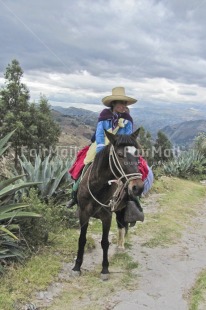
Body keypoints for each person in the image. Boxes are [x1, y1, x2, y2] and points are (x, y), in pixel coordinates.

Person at [67, 87, 153, 213]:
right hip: (101, 144)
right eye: (121, 103)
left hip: (120, 146)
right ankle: (75, 194)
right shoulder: (104, 116)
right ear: (113, 103)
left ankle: (134, 202)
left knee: (135, 168)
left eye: (125, 103)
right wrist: (101, 148)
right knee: (84, 164)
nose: (124, 106)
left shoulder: (127, 119)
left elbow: (128, 137)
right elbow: (100, 133)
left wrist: (122, 147)